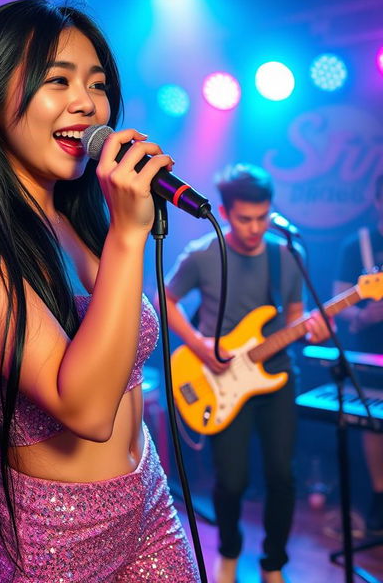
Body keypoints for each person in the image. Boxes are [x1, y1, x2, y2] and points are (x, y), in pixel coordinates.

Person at [0, 0, 199, 582]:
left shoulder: (79, 218)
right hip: (56, 540)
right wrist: (128, 235)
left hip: (147, 506)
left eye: (97, 84)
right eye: (57, 80)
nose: (87, 103)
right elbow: (86, 409)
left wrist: (119, 232)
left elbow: (123, 368)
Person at [162, 164, 330, 583]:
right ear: (224, 211)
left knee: (281, 475)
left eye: (262, 217)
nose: (255, 227)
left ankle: (274, 563)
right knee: (232, 480)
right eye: (244, 218)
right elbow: (164, 298)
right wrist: (200, 346)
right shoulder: (203, 254)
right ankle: (230, 553)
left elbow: (294, 317)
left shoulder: (288, 254)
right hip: (216, 377)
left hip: (276, 376)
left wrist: (314, 331)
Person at [334, 172, 383, 534]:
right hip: (370, 350)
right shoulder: (358, 245)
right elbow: (338, 302)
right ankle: (377, 501)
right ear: (377, 202)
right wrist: (364, 313)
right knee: (373, 427)